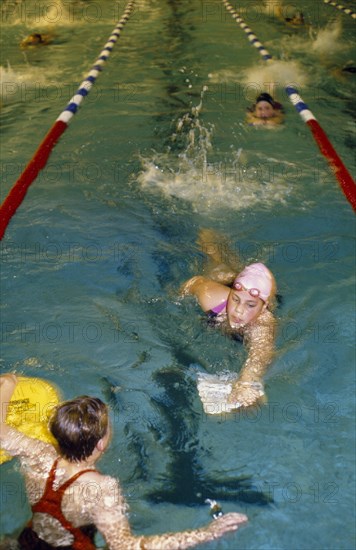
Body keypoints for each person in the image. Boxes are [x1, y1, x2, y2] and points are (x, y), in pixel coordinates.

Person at [0, 374, 247, 549]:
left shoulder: (38, 455)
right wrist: (206, 533)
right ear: (101, 443)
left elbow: (1, 432)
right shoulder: (101, 488)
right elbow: (126, 546)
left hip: (27, 541)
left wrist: (7, 384)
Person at [181, 229, 277, 410]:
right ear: (231, 293)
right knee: (217, 263)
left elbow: (260, 355)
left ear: (263, 307)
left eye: (250, 305)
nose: (239, 311)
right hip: (221, 283)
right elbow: (194, 283)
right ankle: (206, 231)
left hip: (253, 300)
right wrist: (179, 296)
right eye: (236, 300)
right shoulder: (211, 297)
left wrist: (245, 383)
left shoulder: (263, 323)